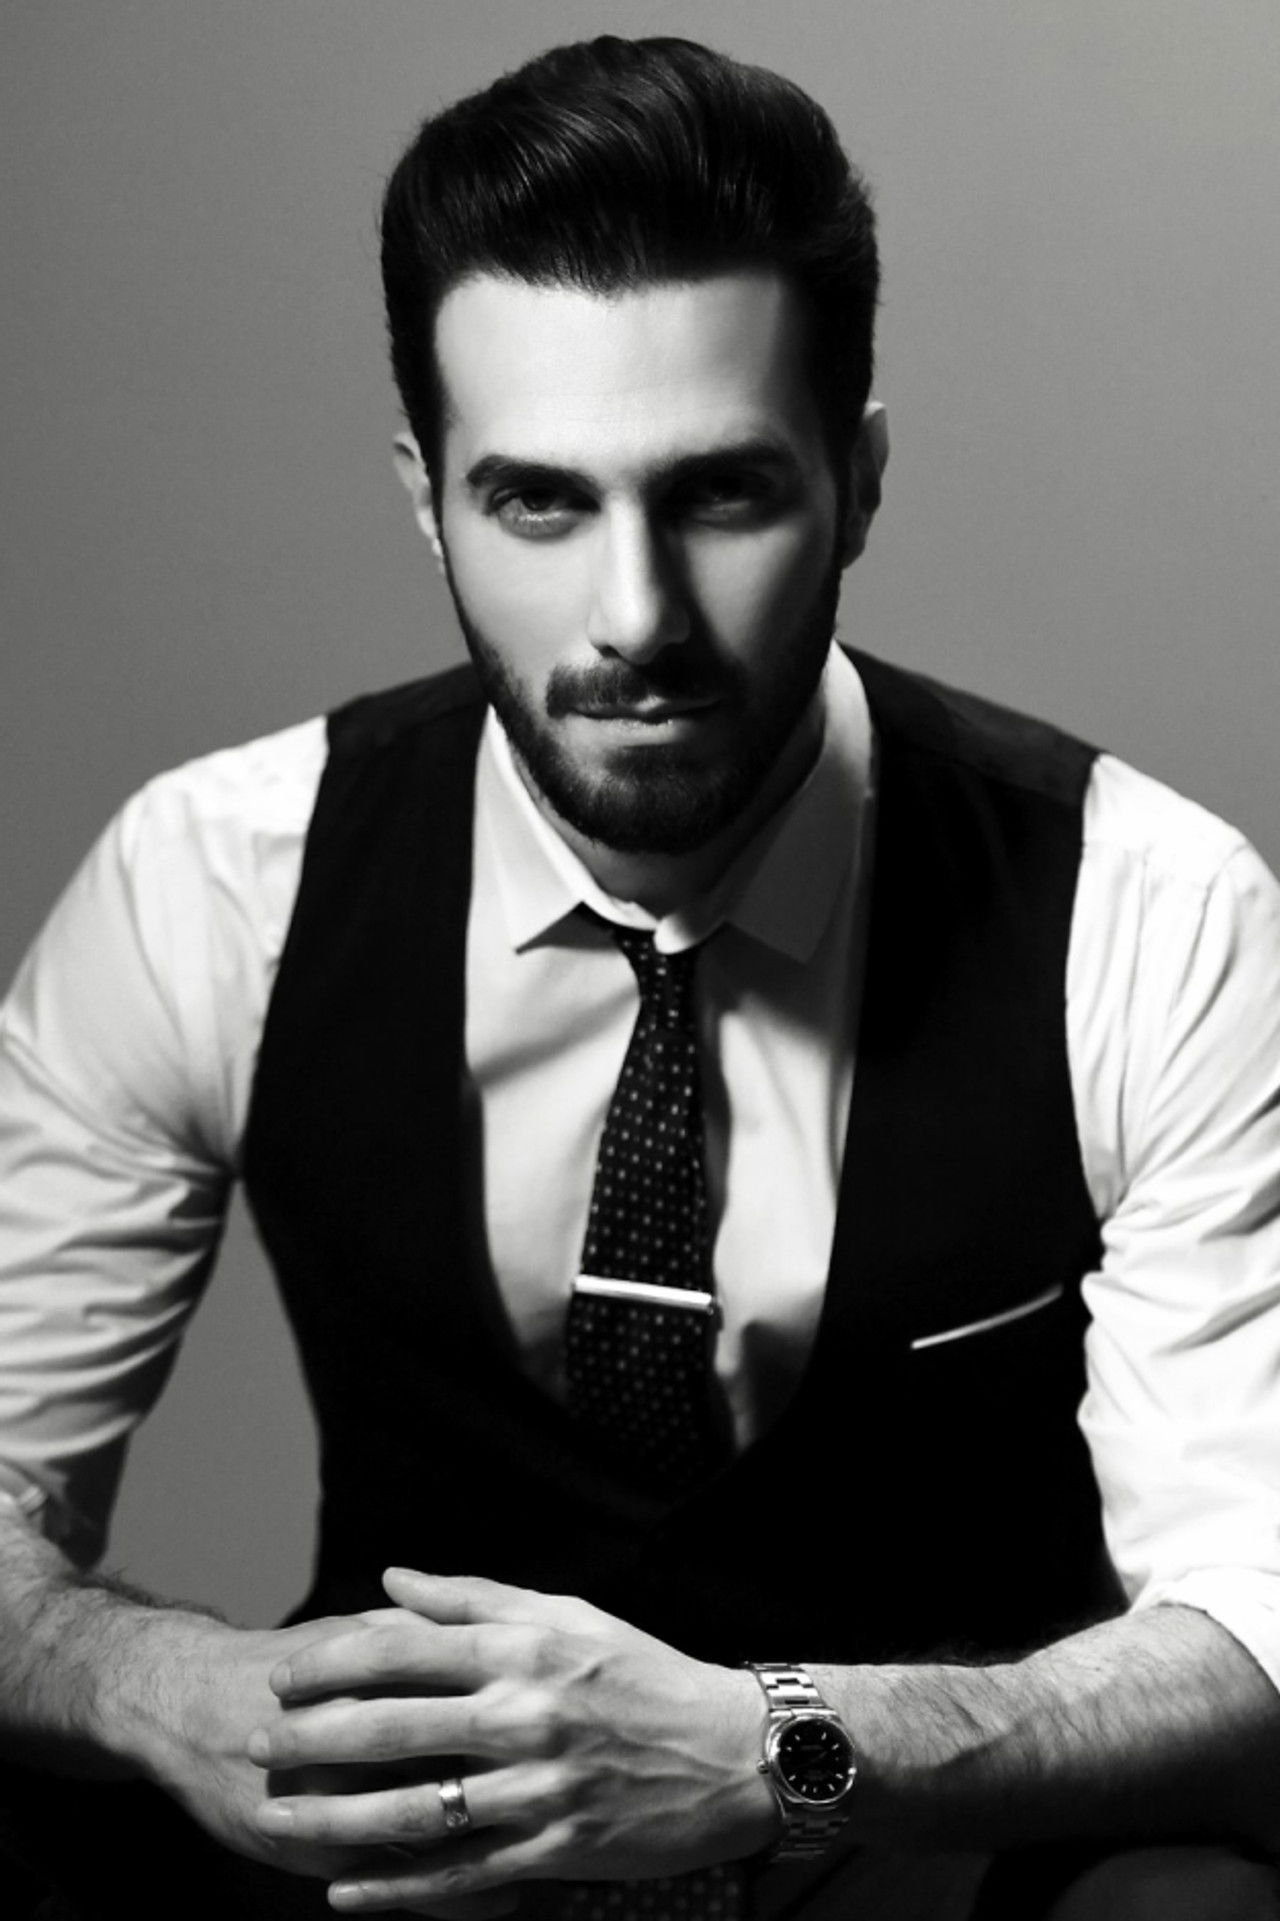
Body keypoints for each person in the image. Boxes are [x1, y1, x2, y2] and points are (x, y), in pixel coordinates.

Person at [1, 32, 1279, 1921]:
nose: (635, 617)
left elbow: (1261, 1636)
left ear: (857, 481)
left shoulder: (1147, 911)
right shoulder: (211, 886)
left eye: (721, 494)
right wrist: (151, 1681)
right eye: (537, 502)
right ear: (428, 498)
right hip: (396, 1867)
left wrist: (772, 1751)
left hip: (928, 1867)